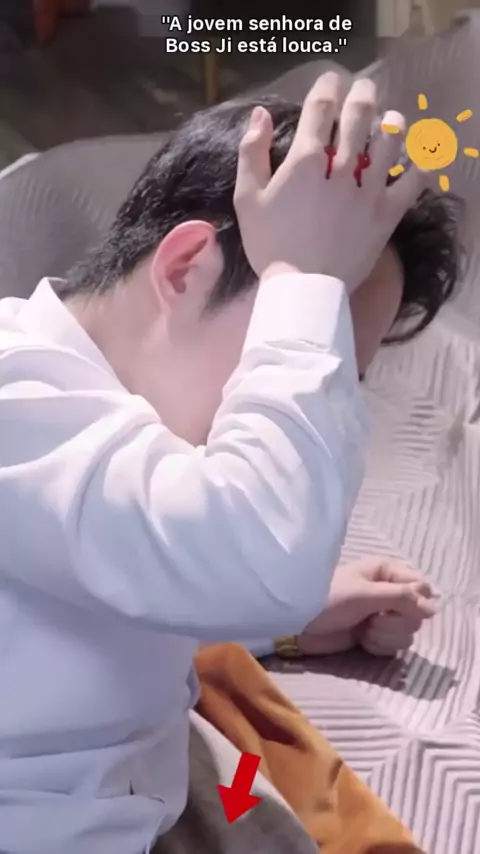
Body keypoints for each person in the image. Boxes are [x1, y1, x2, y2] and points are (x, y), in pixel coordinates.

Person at [0, 73, 458, 854]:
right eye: (295, 348)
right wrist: (302, 281)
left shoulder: (117, 448)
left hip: (147, 785)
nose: (309, 399)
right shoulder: (15, 397)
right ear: (186, 268)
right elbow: (261, 556)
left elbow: (135, 563)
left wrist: (292, 625)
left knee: (277, 800)